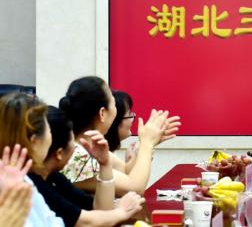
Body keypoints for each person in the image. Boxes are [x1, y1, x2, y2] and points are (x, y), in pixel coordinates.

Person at [59, 76, 179, 195]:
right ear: (102, 113)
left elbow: (125, 171)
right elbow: (134, 188)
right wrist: (147, 144)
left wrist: (145, 144)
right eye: (113, 103)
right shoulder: (79, 156)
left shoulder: (89, 147)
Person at [28, 106, 143, 227]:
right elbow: (85, 222)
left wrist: (105, 164)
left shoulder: (54, 177)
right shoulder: (34, 183)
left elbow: (98, 209)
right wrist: (121, 212)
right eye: (73, 143)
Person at [0, 91, 64, 226]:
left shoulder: (22, 176)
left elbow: (53, 221)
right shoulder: (16, 181)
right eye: (49, 131)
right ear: (34, 141)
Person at [104, 91, 138, 172]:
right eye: (129, 114)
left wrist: (129, 163)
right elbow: (134, 181)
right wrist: (147, 146)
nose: (132, 119)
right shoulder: (98, 158)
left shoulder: (107, 154)